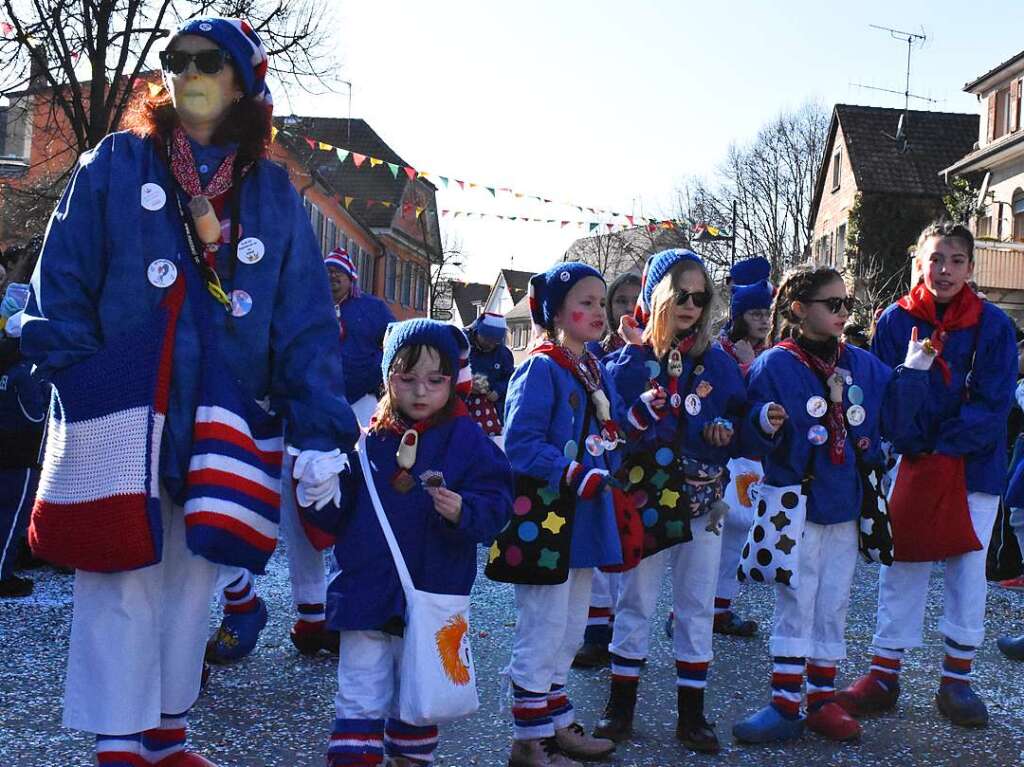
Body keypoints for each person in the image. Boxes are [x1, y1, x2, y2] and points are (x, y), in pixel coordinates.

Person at [20, 17, 357, 766]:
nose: (190, 71)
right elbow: (62, 280)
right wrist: (79, 376)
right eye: (176, 59)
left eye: (209, 60)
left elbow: (303, 321)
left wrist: (319, 429)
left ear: (244, 82)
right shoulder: (116, 163)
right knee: (118, 577)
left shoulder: (271, 194)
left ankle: (167, 731)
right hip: (125, 406)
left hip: (225, 414)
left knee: (191, 579)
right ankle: (118, 742)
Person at [302, 319, 513, 767]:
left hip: (434, 593)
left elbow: (498, 505)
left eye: (435, 380)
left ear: (452, 381)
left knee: (419, 701)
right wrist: (316, 490)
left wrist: (465, 511)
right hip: (365, 592)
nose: (421, 391)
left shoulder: (469, 441)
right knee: (358, 699)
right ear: (387, 379)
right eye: (407, 378)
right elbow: (332, 523)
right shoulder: (365, 444)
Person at [731, 265, 926, 744]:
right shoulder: (775, 364)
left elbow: (896, 418)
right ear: (799, 310)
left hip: (844, 502)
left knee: (834, 600)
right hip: (794, 502)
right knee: (796, 599)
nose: (843, 313)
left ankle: (820, 699)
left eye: (847, 305)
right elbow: (747, 432)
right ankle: (784, 701)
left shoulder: (860, 363)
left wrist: (916, 369)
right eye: (833, 304)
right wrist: (765, 421)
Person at [596, 249, 778, 754]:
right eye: (681, 294)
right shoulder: (628, 361)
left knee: (696, 606)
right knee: (635, 602)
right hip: (646, 504)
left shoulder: (717, 360)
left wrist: (752, 426)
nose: (692, 306)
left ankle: (692, 715)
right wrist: (639, 365)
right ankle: (620, 708)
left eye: (701, 297)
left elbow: (741, 426)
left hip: (702, 505)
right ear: (658, 296)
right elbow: (613, 431)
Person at [838, 221, 1017, 729]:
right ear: (919, 261)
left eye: (956, 260)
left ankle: (957, 678)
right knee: (904, 563)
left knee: (968, 569)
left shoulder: (994, 326)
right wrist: (915, 443)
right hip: (912, 460)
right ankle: (883, 672)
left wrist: (945, 444)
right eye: (936, 259)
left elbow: (994, 401)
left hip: (971, 466)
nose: (944, 270)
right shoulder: (895, 321)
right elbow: (884, 399)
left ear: (970, 267)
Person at [502, 262, 626, 767]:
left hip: (581, 519)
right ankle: (529, 739)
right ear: (555, 311)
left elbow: (607, 434)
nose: (598, 311)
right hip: (547, 518)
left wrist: (624, 432)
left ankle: (555, 721)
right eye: (587, 302)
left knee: (572, 628)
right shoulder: (541, 366)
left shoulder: (591, 367)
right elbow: (520, 443)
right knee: (543, 626)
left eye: (602, 302)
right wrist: (573, 472)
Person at [575, 271, 640, 669]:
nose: (628, 310)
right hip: (602, 460)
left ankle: (626, 635)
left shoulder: (653, 352)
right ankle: (597, 632)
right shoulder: (594, 356)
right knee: (600, 552)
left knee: (629, 551)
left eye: (636, 302)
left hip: (639, 462)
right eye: (620, 302)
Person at [712, 263, 775, 638]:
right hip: (727, 453)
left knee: (739, 534)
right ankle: (690, 608)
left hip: (755, 455)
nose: (764, 320)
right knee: (717, 532)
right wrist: (748, 366)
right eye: (756, 313)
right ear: (739, 316)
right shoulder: (722, 352)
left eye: (767, 313)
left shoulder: (769, 351)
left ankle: (722, 607)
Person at [0, 294, 47, 598]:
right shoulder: (23, 371)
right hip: (21, 453)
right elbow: (36, 415)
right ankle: (2, 574)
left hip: (4, 448)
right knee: (13, 516)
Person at [328, 247, 396, 426]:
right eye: (328, 271)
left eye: (338, 272)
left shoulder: (373, 308)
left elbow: (395, 339)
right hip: (323, 394)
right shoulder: (314, 306)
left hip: (363, 398)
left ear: (350, 278)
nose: (333, 276)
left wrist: (375, 367)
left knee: (365, 449)